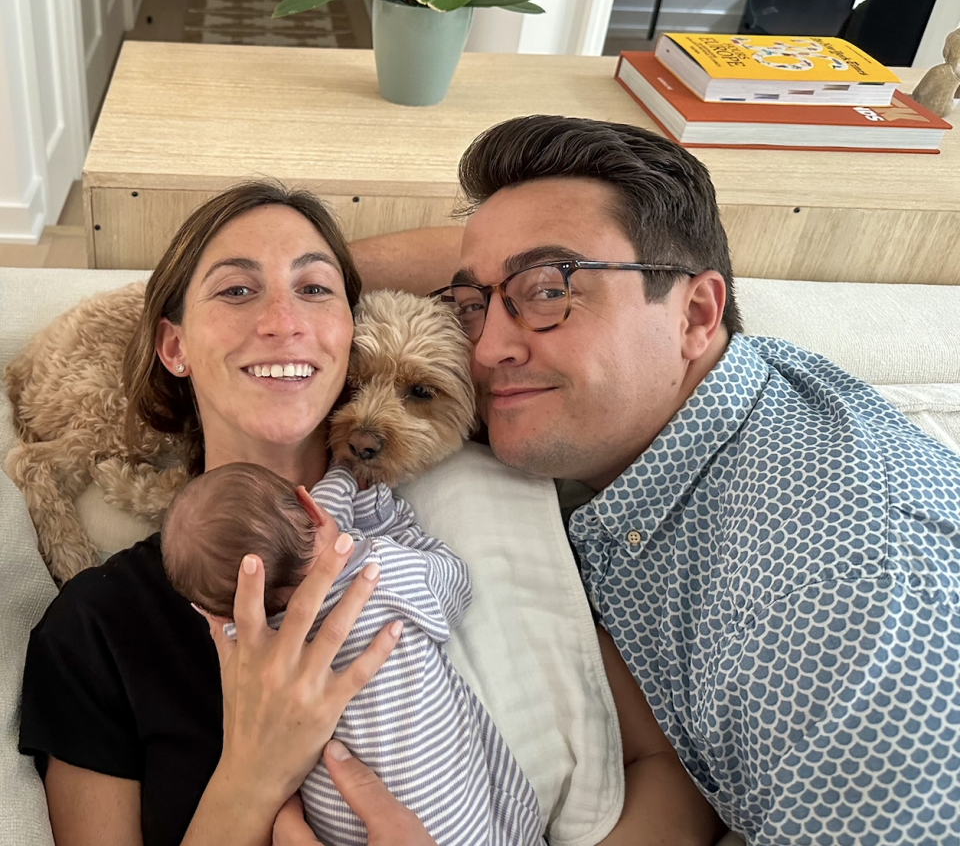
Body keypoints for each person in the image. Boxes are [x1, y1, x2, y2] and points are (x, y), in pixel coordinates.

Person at [17, 179, 722, 846]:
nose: (283, 321)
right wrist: (251, 777)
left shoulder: (473, 520)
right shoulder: (96, 627)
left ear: (351, 327)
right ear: (175, 346)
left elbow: (671, 768)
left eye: (316, 288)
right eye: (237, 289)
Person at [355, 114, 960, 846]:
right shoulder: (690, 419)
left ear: (696, 313)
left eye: (549, 290)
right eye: (475, 304)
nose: (487, 347)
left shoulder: (835, 604)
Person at [160, 461, 544, 846]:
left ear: (213, 612)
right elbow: (456, 584)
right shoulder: (383, 573)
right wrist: (386, 524)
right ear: (310, 506)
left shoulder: (245, 657)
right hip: (469, 826)